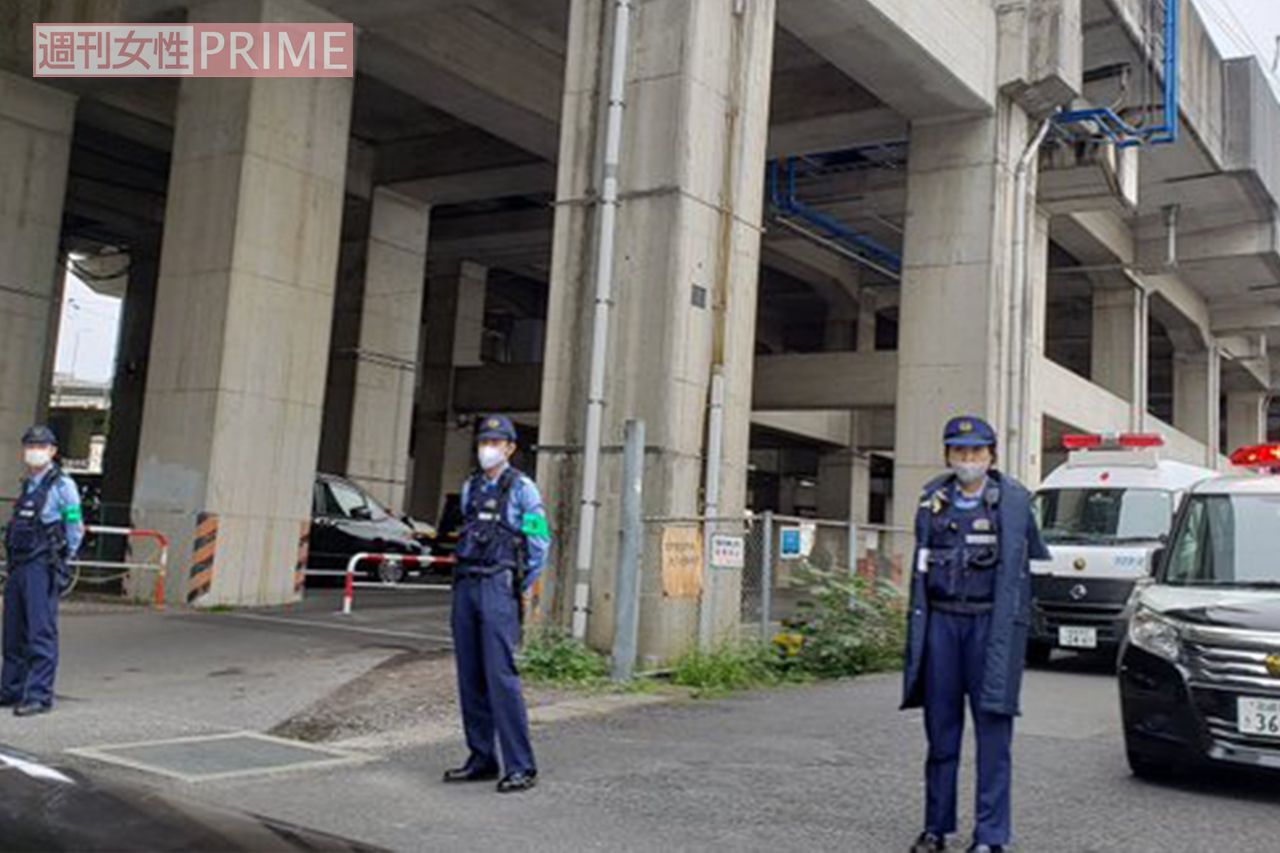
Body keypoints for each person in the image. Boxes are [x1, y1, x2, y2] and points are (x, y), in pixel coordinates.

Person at [903, 416, 1049, 853]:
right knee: (941, 731)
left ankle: (990, 836)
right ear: (948, 455)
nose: (967, 460)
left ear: (991, 457)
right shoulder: (933, 501)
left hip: (991, 626)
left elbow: (1035, 566)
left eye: (976, 452)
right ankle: (936, 828)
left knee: (992, 734)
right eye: (959, 452)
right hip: (942, 625)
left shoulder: (1014, 503)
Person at [443, 414, 550, 793]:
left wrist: (520, 584)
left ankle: (521, 765)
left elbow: (539, 543)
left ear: (510, 448)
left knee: (500, 676)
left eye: (495, 442)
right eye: (483, 442)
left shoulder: (523, 489)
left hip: (497, 586)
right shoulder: (471, 487)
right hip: (466, 584)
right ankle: (482, 757)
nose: (487, 448)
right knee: (469, 675)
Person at [2, 425, 83, 717]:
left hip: (42, 565)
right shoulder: (28, 484)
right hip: (19, 565)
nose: (34, 450)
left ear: (52, 451)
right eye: (30, 445)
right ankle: (11, 689)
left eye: (41, 445)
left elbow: (74, 526)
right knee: (13, 631)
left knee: (40, 632)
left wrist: (64, 560)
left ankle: (38, 695)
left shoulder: (62, 485)